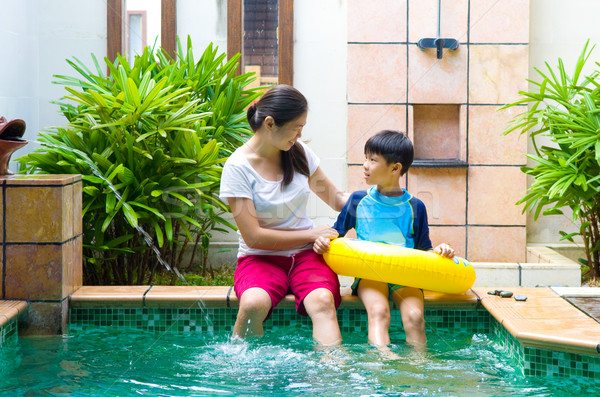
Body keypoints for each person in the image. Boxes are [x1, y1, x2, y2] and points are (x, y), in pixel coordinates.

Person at [219, 85, 348, 346]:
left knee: (323, 302)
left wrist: (379, 200)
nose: (300, 134)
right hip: (259, 259)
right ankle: (245, 376)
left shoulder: (298, 152)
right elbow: (254, 238)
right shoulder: (237, 168)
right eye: (296, 127)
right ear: (269, 123)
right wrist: (313, 234)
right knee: (253, 303)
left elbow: (337, 200)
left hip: (306, 257)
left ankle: (332, 375)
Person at [313, 130, 455, 350]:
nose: (365, 165)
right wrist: (323, 242)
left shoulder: (415, 206)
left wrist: (440, 251)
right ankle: (383, 364)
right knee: (379, 312)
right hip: (371, 273)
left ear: (395, 168)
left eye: (373, 160)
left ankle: (419, 368)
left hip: (405, 273)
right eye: (366, 158)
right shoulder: (358, 200)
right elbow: (335, 235)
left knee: (415, 318)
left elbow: (423, 249)